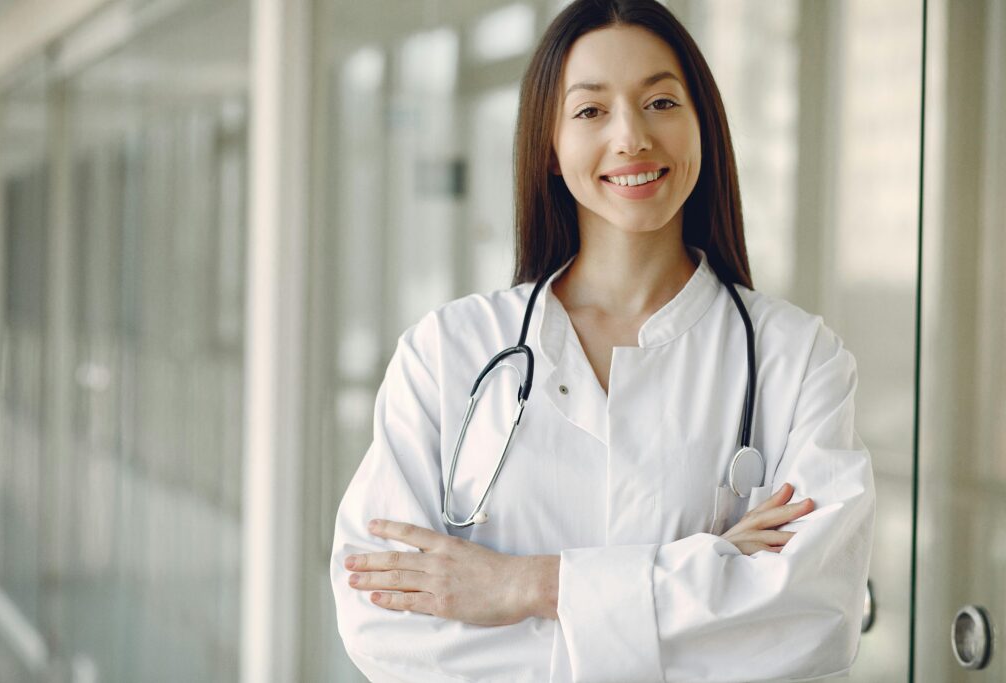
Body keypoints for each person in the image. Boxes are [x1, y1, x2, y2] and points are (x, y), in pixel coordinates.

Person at [330, 0, 876, 680]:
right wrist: (708, 573)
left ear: (702, 122)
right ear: (550, 149)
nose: (632, 137)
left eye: (661, 102)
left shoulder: (798, 358)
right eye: (591, 111)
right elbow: (384, 622)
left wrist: (525, 587)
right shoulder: (448, 351)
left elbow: (809, 619)